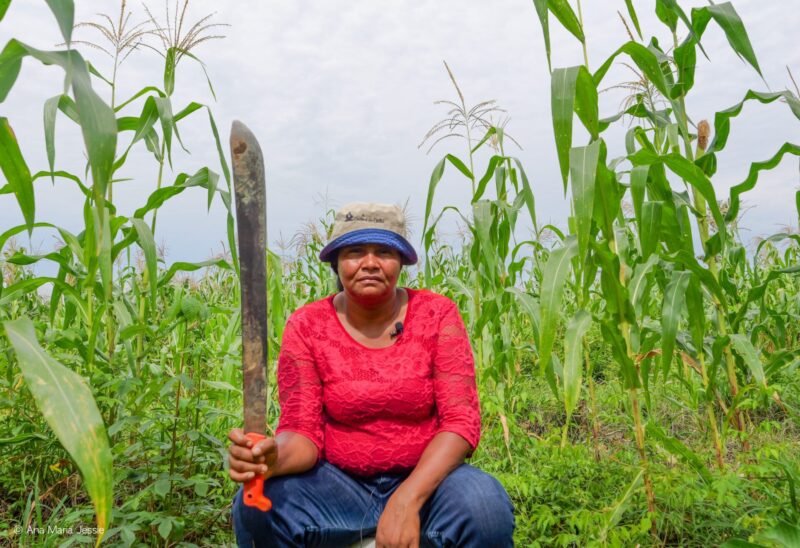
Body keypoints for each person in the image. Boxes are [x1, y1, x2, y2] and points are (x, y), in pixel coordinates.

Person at [228, 202, 515, 547]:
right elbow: (303, 432)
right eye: (354, 252)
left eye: (384, 251)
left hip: (429, 483)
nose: (369, 263)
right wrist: (273, 458)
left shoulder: (437, 315)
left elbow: (460, 422)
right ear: (336, 262)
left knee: (485, 507)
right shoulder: (307, 325)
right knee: (260, 505)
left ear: (401, 262)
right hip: (338, 487)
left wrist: (407, 498)